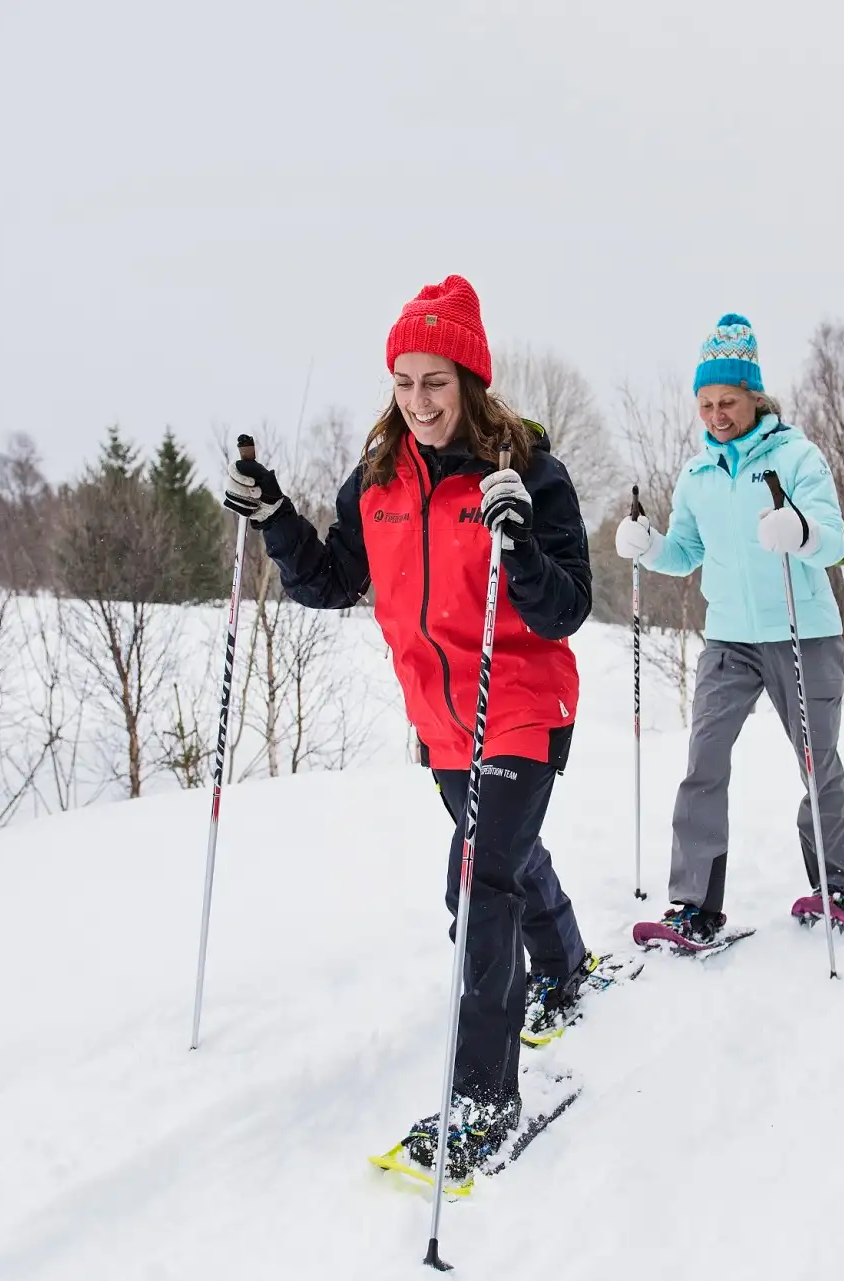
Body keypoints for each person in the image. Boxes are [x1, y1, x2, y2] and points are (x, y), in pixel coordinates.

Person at [222, 275, 593, 1178]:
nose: (419, 401)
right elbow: (329, 582)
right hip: (441, 721)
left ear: (470, 379)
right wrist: (275, 518)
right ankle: (565, 961)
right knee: (499, 855)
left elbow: (568, 607)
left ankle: (484, 1097)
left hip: (520, 702)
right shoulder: (378, 482)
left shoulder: (530, 475)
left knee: (478, 883)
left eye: (436, 380)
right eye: (404, 381)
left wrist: (522, 545)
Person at [614, 313, 844, 938]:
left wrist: (800, 531)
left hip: (802, 633)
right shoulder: (697, 476)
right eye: (705, 404)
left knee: (816, 761)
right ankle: (695, 902)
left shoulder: (798, 457)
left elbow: (833, 541)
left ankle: (836, 886)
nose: (716, 415)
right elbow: (685, 554)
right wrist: (648, 545)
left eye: (727, 401)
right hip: (728, 638)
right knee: (704, 761)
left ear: (755, 397)